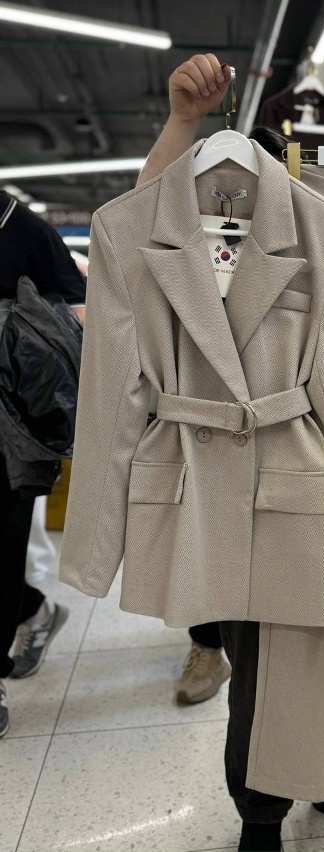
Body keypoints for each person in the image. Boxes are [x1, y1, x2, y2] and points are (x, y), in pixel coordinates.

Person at [137, 53, 324, 852]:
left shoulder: (322, 218)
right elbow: (140, 233)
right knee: (262, 669)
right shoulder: (200, 226)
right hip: (236, 478)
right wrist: (183, 124)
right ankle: (260, 814)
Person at [0, 195, 85, 737]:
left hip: (12, 415)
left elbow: (78, 310)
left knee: (4, 540)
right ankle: (33, 609)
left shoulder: (19, 225)